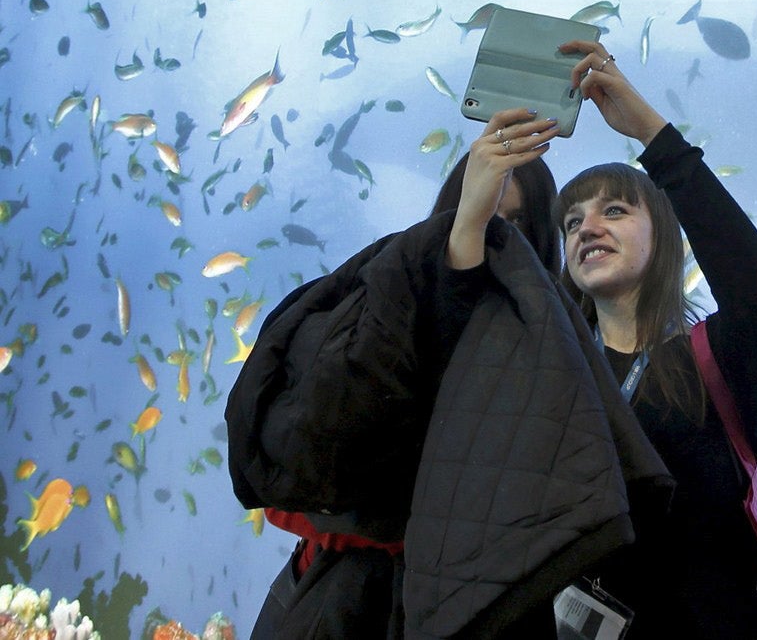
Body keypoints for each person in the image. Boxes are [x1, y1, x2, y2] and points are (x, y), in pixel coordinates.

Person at [226, 98, 674, 638]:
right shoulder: (390, 294)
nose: (496, 240)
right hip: (350, 599)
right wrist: (462, 238)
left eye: (514, 225)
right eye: (482, 212)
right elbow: (350, 409)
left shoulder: (556, 357)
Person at [551, 41, 757, 636]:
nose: (587, 227)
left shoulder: (716, 361)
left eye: (614, 211)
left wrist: (650, 134)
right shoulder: (554, 380)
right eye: (571, 221)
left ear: (662, 237)